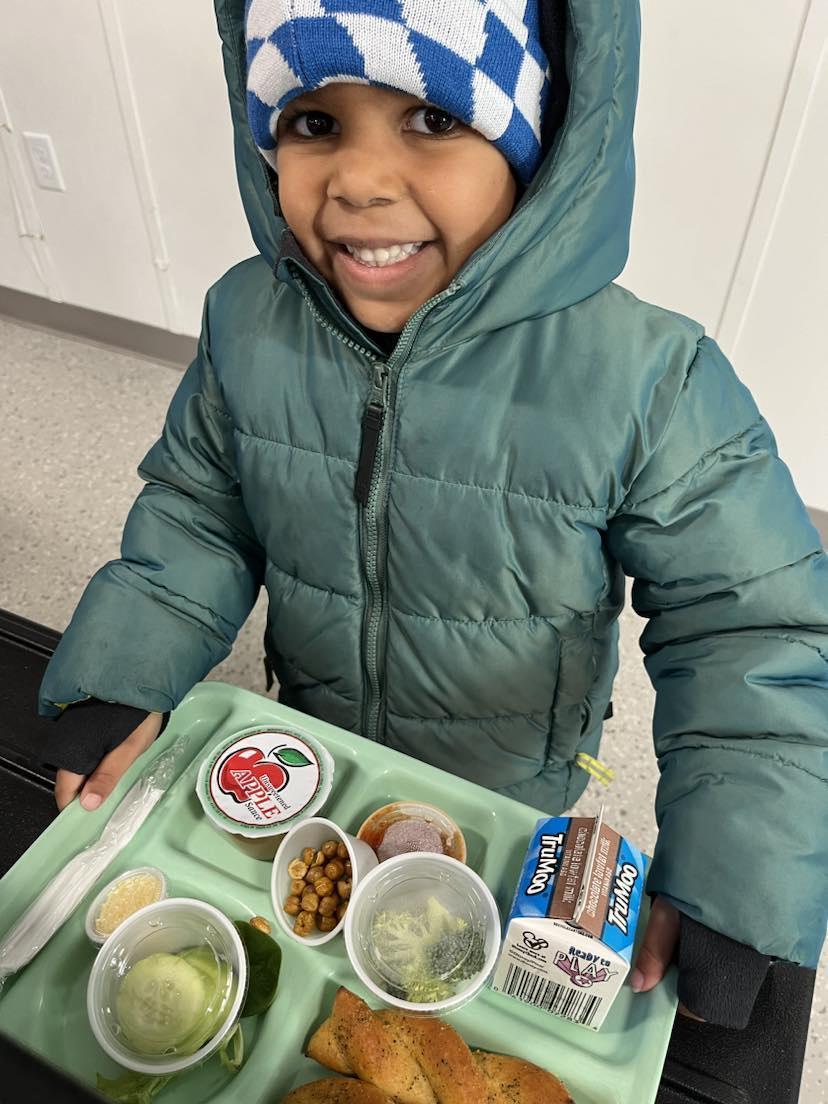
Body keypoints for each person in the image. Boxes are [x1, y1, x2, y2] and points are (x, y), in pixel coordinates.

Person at [38, 0, 827, 1029]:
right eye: (315, 124)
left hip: (506, 783)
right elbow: (198, 513)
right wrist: (119, 678)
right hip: (317, 745)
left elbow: (749, 628)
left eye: (433, 120)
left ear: (535, 143)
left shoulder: (647, 378)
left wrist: (736, 878)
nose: (358, 181)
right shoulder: (248, 319)